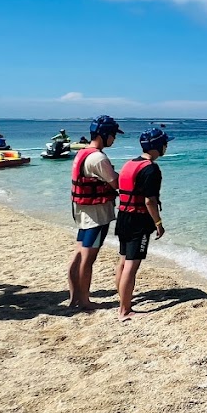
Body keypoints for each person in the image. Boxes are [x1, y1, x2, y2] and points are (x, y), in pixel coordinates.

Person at [65, 115, 125, 311]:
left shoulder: (83, 153)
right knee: (88, 258)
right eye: (113, 135)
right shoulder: (98, 158)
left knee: (78, 255)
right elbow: (116, 183)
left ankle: (74, 297)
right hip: (97, 215)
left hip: (82, 212)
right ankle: (84, 300)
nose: (114, 139)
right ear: (104, 134)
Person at [114, 127, 171, 321]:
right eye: (165, 143)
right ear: (157, 146)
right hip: (138, 220)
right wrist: (158, 222)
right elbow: (149, 200)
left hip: (123, 216)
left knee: (123, 260)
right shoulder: (151, 169)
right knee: (132, 264)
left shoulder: (130, 163)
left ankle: (122, 301)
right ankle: (125, 310)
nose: (166, 146)